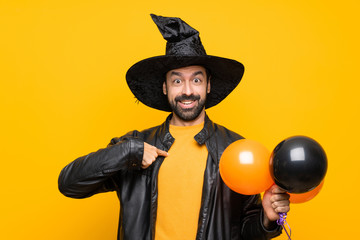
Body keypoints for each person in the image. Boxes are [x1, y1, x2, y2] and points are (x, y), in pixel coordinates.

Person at [58, 14, 290, 240]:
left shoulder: (234, 148)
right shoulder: (135, 146)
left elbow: (243, 230)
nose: (187, 90)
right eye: (177, 81)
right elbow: (69, 184)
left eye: (196, 80)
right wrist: (128, 152)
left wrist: (266, 219)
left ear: (208, 85)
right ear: (165, 88)